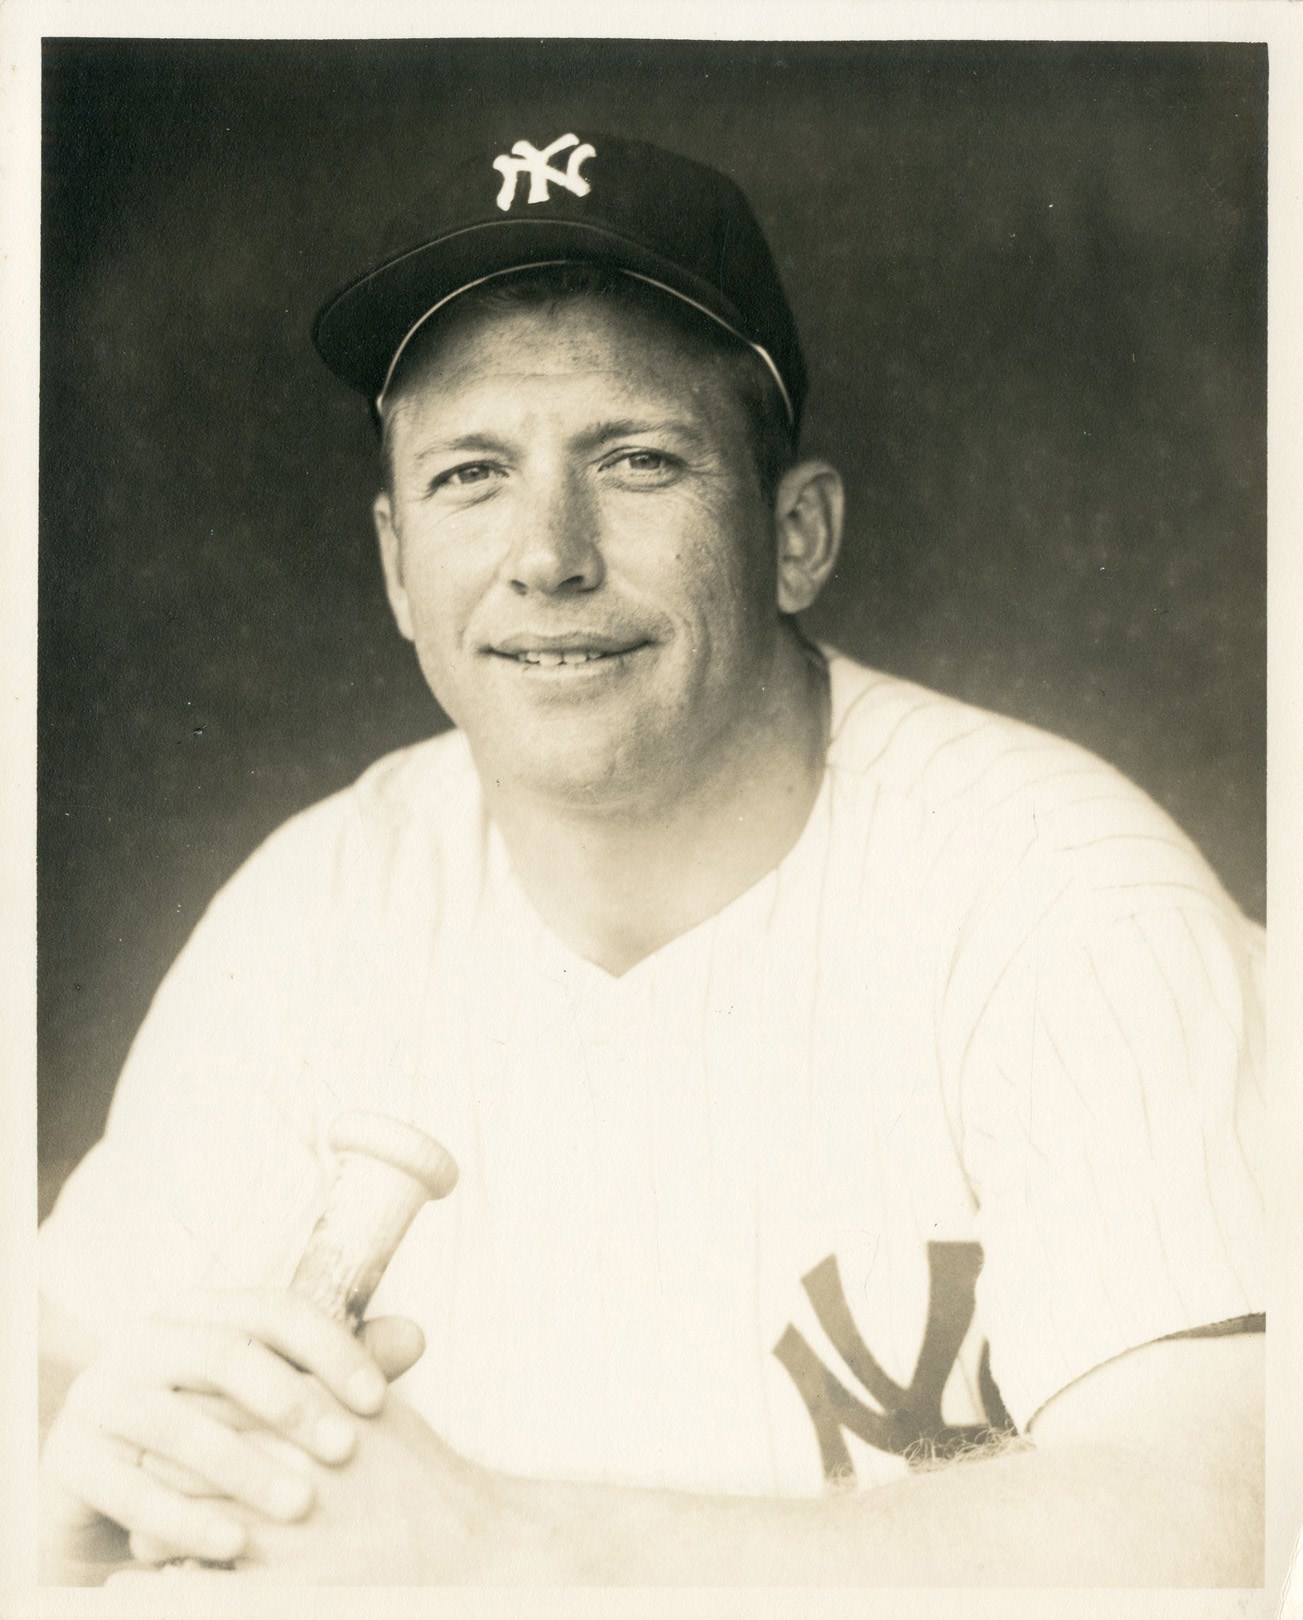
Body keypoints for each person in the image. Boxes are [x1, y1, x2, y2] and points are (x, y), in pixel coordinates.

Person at [37, 130, 1265, 1586]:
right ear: (394, 567)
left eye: (636, 459)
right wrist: (63, 1522)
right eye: (470, 474)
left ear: (794, 533)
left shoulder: (1068, 905)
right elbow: (56, 1388)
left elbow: (1229, 1521)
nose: (546, 554)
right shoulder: (316, 910)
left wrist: (490, 1561)